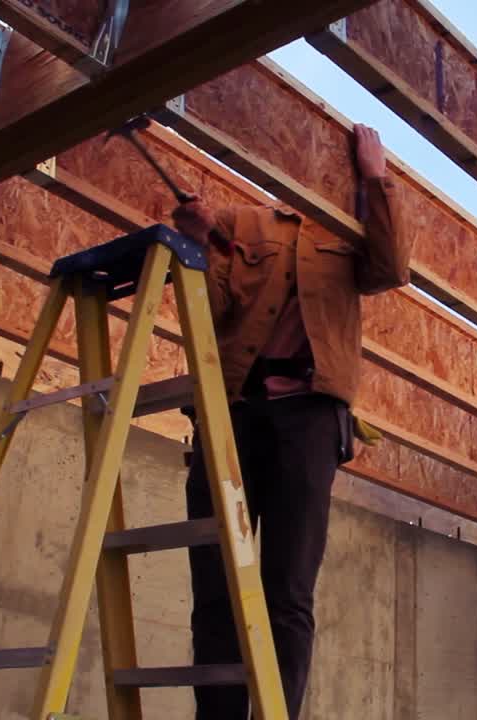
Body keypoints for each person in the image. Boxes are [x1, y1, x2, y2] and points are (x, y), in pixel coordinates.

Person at [171, 124, 410, 719]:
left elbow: (392, 268)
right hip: (233, 412)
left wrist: (376, 178)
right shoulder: (243, 222)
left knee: (288, 589)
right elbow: (214, 312)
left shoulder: (347, 230)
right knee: (216, 584)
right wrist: (198, 247)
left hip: (309, 418)